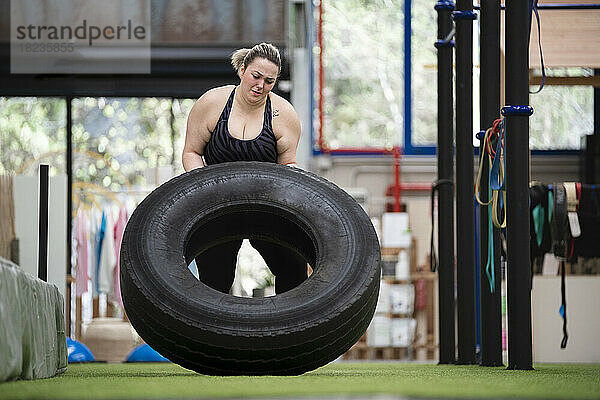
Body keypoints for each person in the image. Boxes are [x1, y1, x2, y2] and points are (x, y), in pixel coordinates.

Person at [182, 42, 307, 295]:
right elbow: (191, 153)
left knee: (293, 269)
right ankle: (212, 333)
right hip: (219, 205)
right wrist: (203, 190)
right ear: (242, 70)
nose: (261, 85)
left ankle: (287, 330)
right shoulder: (212, 103)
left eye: (269, 81)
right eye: (256, 76)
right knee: (214, 280)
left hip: (266, 205)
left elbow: (288, 164)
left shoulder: (284, 114)